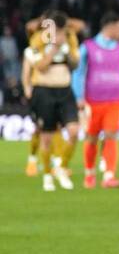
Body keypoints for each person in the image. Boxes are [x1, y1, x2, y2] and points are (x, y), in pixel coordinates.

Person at [23, 11, 81, 192]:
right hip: (44, 91)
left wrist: (67, 53)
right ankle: (47, 175)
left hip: (65, 90)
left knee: (74, 131)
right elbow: (39, 66)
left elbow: (76, 63)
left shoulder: (70, 38)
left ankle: (61, 167)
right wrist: (54, 49)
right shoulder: (39, 39)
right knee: (46, 137)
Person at [73, 11, 119, 189]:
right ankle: (89, 174)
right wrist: (79, 96)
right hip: (92, 100)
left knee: (112, 135)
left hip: (115, 100)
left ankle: (109, 176)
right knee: (91, 138)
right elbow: (78, 73)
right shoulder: (88, 47)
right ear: (110, 27)